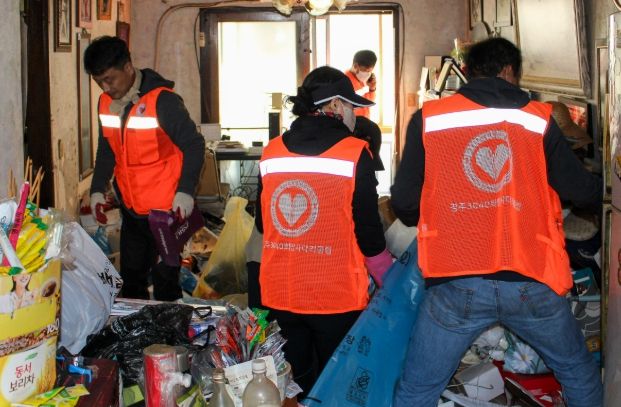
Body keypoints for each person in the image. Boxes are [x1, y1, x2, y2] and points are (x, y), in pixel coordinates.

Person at [391, 38, 602, 406]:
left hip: (457, 280)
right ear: (508, 71)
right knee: (577, 370)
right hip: (529, 276)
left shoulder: (429, 118)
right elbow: (581, 191)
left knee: (418, 388)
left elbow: (405, 203)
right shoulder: (539, 119)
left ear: (469, 72)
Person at [255, 66, 392, 396]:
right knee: (335, 386)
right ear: (335, 105)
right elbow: (369, 234)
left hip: (281, 293)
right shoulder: (354, 153)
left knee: (294, 385)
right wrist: (390, 278)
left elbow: (262, 224)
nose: (355, 114)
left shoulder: (272, 151)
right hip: (334, 297)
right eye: (352, 106)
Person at [85, 36, 205, 301]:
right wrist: (97, 189)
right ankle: (136, 327)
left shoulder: (162, 101)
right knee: (131, 281)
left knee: (165, 283)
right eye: (99, 82)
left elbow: (195, 145)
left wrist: (186, 191)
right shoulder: (105, 103)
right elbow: (107, 149)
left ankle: (168, 328)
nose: (105, 88)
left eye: (109, 79)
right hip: (132, 210)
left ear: (128, 67)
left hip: (166, 212)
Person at [344, 50, 377, 119]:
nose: (368, 74)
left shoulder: (361, 80)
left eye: (370, 71)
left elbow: (369, 102)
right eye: (366, 71)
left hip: (364, 121)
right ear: (356, 66)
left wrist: (372, 89)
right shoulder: (345, 81)